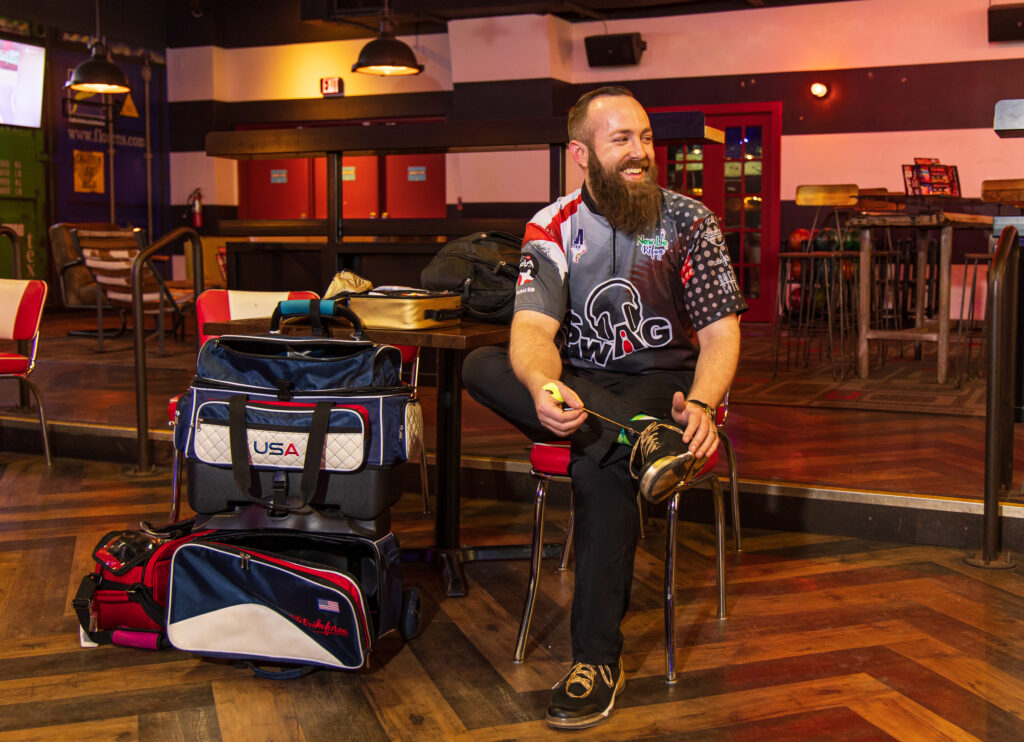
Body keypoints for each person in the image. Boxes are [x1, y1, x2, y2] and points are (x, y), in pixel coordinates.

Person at [462, 85, 746, 730]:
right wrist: (541, 387)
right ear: (581, 153)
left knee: (596, 462)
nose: (640, 153)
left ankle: (594, 661)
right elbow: (534, 331)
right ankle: (641, 440)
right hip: (582, 378)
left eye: (645, 138)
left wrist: (702, 400)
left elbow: (722, 334)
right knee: (484, 362)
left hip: (662, 383)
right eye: (621, 140)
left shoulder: (690, 220)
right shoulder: (552, 225)